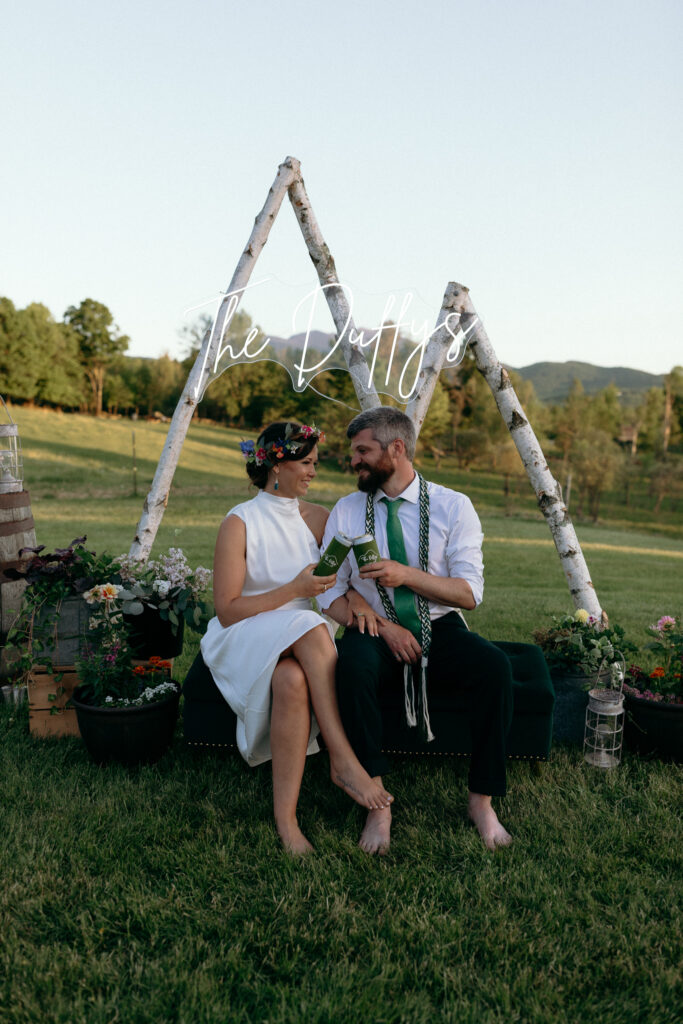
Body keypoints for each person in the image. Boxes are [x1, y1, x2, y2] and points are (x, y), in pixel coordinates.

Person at [318, 407, 513, 854]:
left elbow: (469, 593)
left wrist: (407, 575)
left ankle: (481, 800)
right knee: (352, 668)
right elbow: (328, 593)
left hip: (440, 626)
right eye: (354, 453)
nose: (355, 461)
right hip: (373, 628)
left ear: (397, 449)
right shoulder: (347, 510)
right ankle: (378, 802)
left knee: (495, 668)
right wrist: (382, 626)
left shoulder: (453, 506)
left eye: (363, 451)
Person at [200, 421, 393, 855]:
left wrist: (359, 604)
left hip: (303, 639)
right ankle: (342, 758)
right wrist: (294, 591)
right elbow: (227, 610)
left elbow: (341, 584)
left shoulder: (320, 519)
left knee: (291, 681)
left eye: (315, 464)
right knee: (307, 624)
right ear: (276, 466)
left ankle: (286, 821)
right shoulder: (239, 521)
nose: (313, 472)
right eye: (306, 463)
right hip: (245, 633)